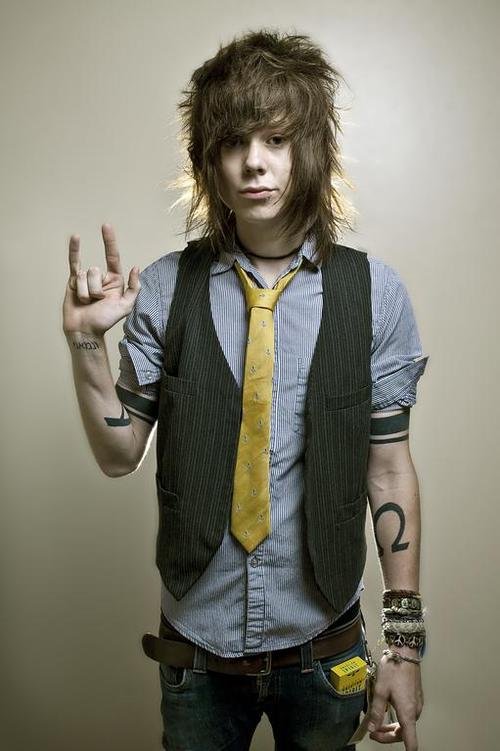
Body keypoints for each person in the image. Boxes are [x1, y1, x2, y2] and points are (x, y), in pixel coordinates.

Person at [63, 28, 428, 751]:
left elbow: (388, 471)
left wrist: (405, 645)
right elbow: (118, 454)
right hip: (197, 654)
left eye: (276, 139)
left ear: (311, 149)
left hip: (326, 649)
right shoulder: (164, 288)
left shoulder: (374, 294)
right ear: (210, 160)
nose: (254, 161)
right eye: (233, 142)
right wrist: (85, 345)